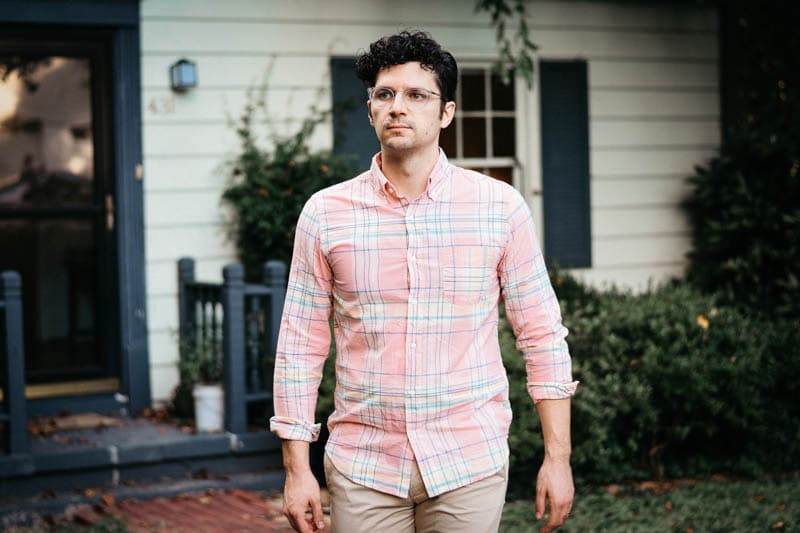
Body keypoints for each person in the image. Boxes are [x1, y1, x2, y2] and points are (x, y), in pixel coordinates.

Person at [270, 30, 578, 533]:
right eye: (385, 94)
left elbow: (542, 335)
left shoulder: (499, 209)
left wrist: (558, 458)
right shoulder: (325, 214)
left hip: (469, 463)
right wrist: (296, 468)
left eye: (417, 95)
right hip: (363, 468)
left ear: (446, 113)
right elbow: (300, 347)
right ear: (370, 109)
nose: (398, 107)